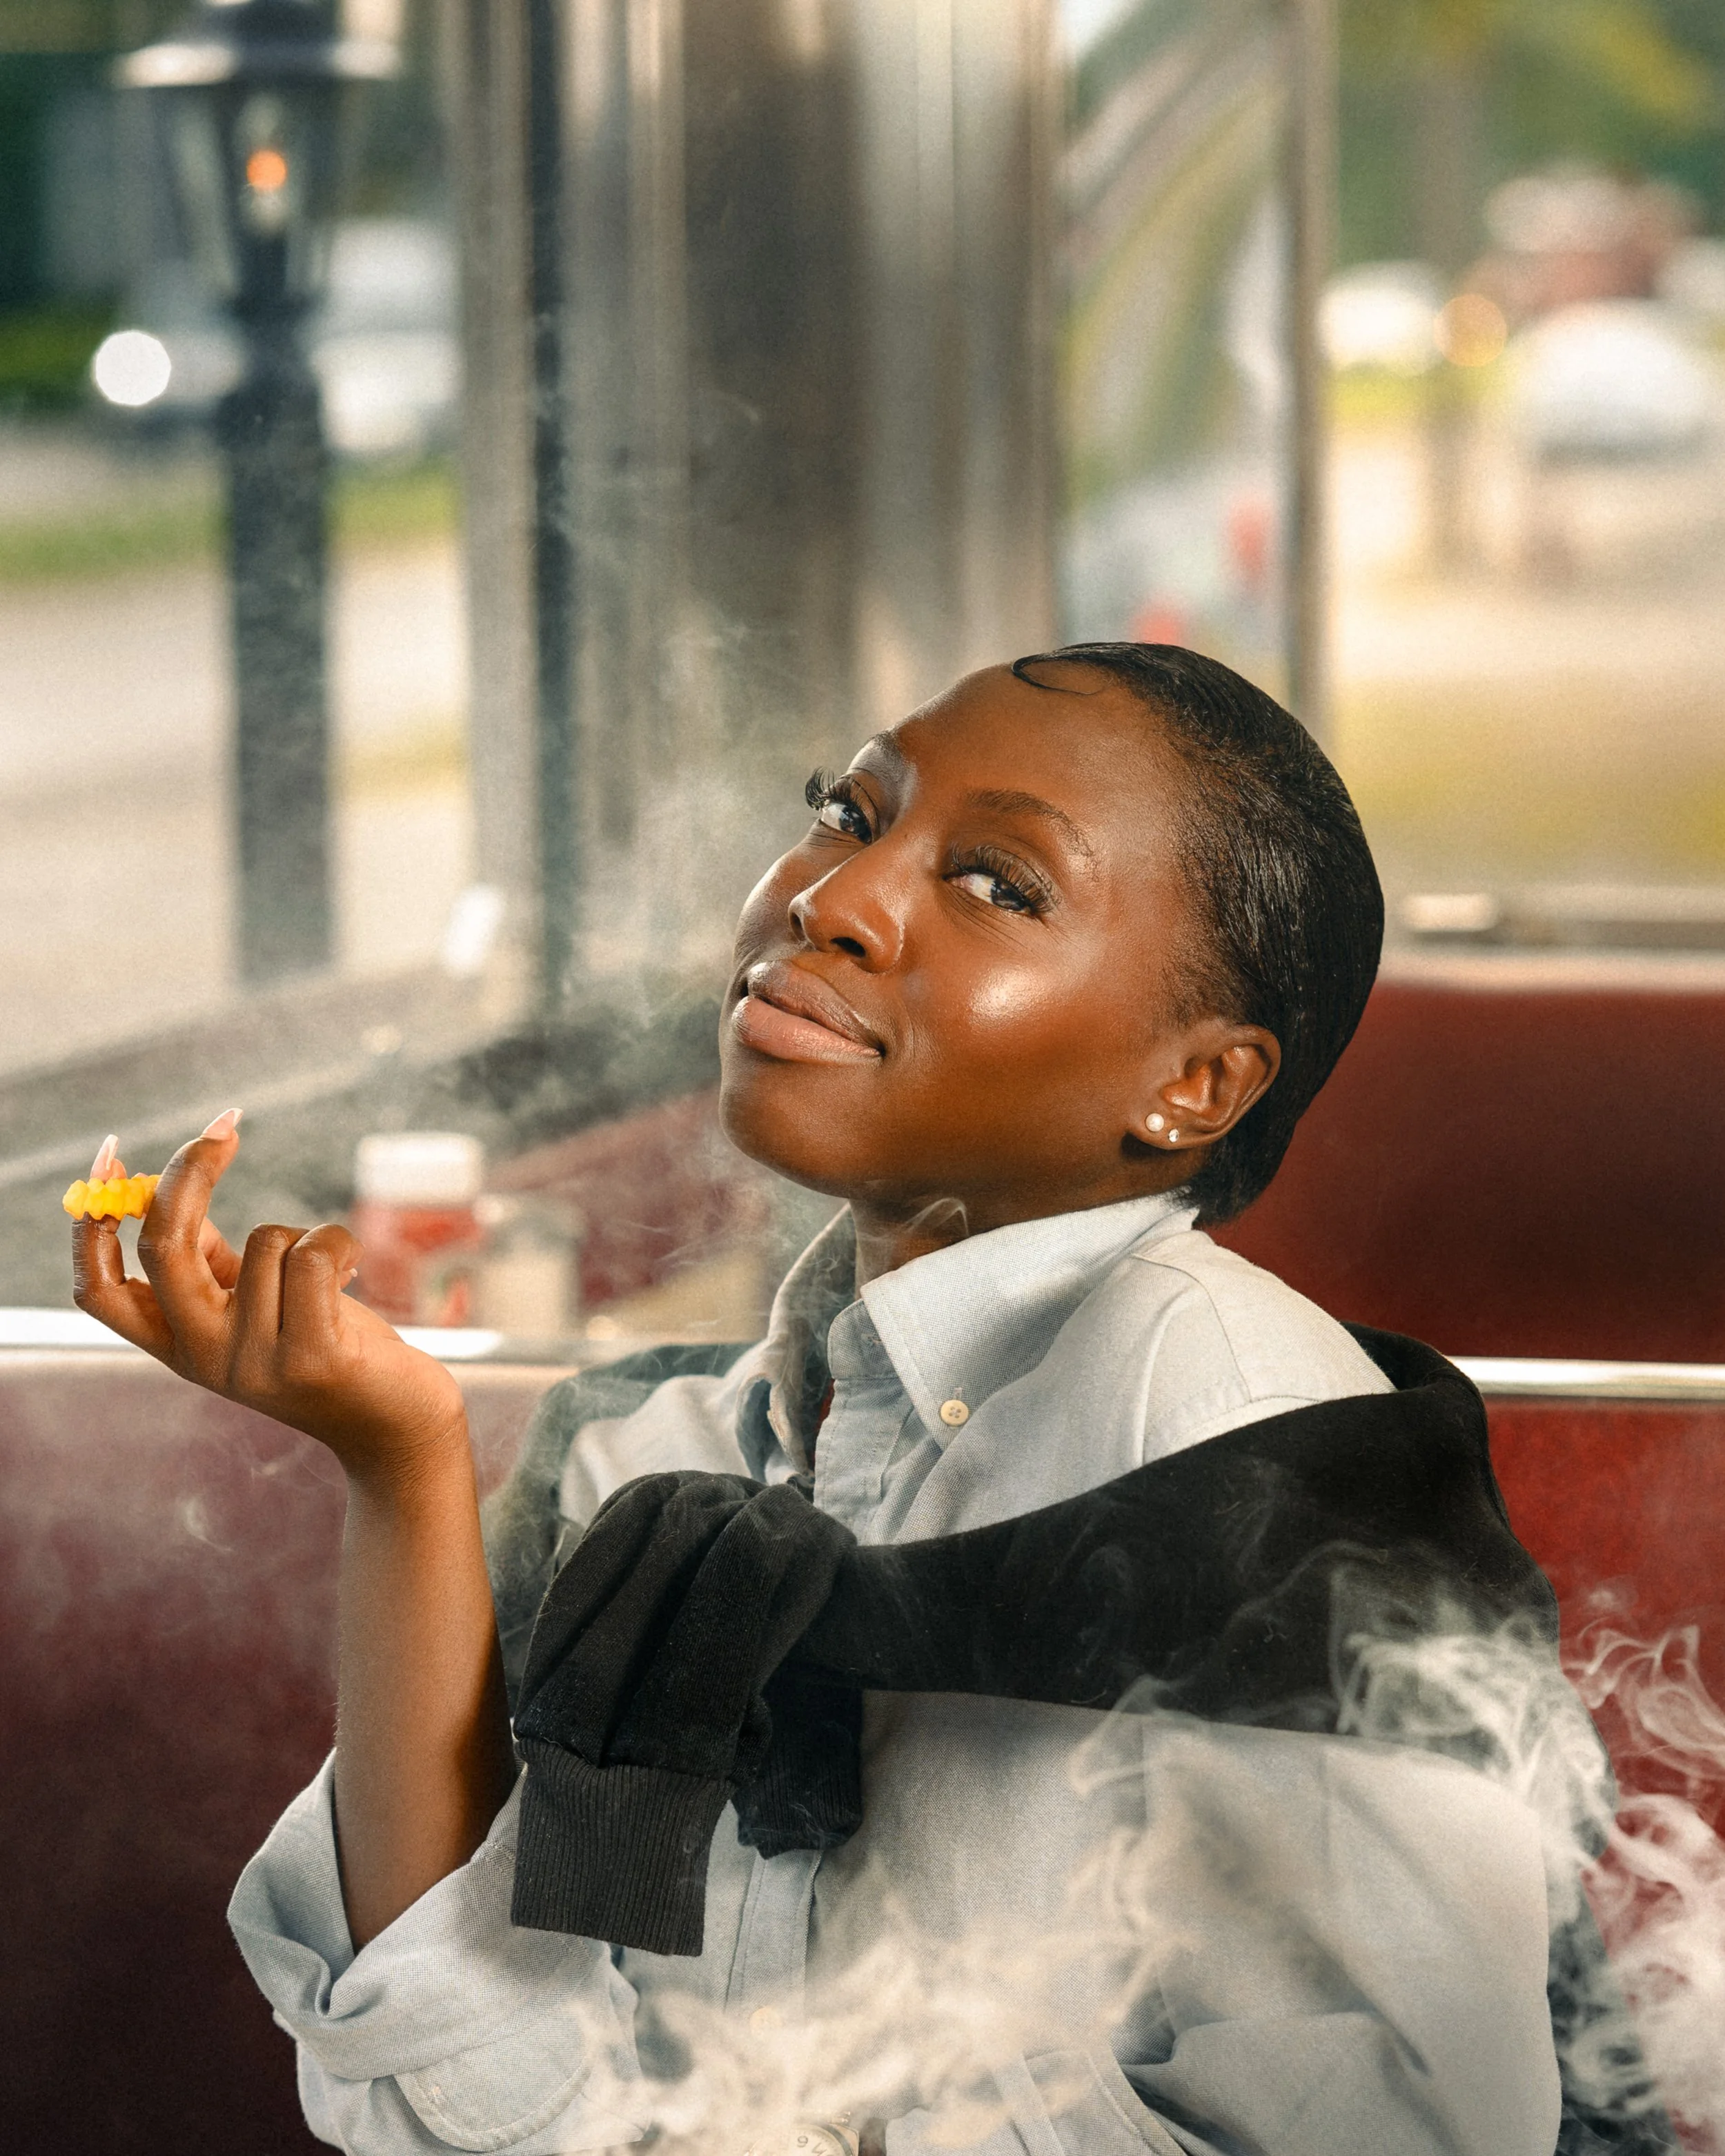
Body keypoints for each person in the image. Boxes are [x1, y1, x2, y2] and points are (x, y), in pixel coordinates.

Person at [74, 646, 1575, 2156]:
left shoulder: (1256, 1444)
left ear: (1193, 1085)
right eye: (848, 812)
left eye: (996, 882)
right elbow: (435, 2076)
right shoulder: (654, 1447)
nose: (829, 898)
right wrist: (398, 1459)